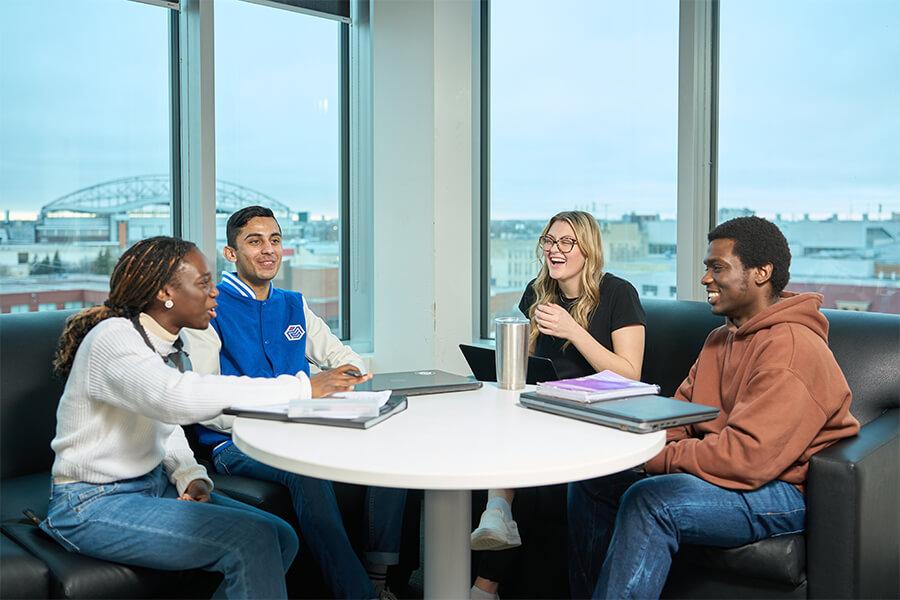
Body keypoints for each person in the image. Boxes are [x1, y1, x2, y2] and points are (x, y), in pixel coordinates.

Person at [40, 236, 368, 599]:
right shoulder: (114, 339)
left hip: (151, 488)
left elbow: (164, 425)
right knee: (253, 540)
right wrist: (303, 387)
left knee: (280, 537)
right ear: (166, 292)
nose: (214, 293)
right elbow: (175, 400)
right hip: (90, 505)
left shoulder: (163, 345)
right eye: (202, 284)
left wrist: (190, 476)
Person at [567, 216, 861, 599]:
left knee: (651, 501)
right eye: (707, 268)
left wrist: (655, 460)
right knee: (593, 478)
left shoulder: (792, 348)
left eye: (717, 267)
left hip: (781, 489)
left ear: (761, 273)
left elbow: (748, 459)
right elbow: (678, 413)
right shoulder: (720, 339)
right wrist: (640, 449)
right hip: (724, 469)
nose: (705, 278)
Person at [185, 206, 407, 599]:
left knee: (390, 441)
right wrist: (294, 398)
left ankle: (379, 573)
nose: (268, 250)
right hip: (235, 443)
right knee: (306, 471)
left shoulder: (293, 305)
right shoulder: (210, 310)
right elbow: (209, 403)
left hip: (304, 425)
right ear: (231, 254)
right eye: (254, 241)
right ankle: (358, 595)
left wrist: (346, 381)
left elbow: (346, 361)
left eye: (275, 240)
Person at [471, 210, 646, 600]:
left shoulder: (618, 293)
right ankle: (496, 514)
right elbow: (524, 366)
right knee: (497, 425)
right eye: (549, 241)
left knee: (534, 467)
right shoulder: (538, 291)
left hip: (595, 416)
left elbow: (630, 373)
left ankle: (486, 576)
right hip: (543, 408)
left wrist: (574, 331)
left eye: (566, 242)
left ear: (587, 250)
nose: (555, 250)